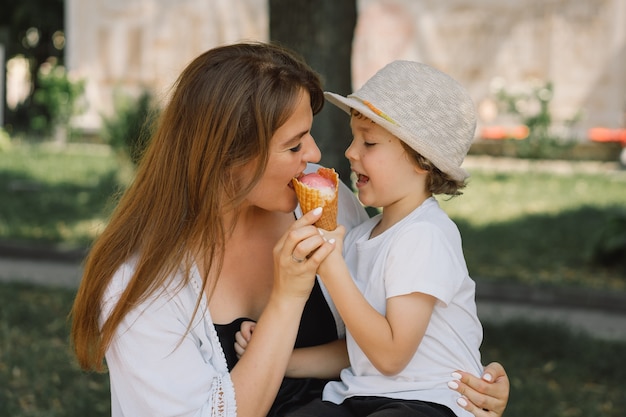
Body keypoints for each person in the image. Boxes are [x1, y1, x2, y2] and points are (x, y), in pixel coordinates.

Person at [69, 41, 508, 417]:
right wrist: (287, 298)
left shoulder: (330, 210)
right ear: (227, 156)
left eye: (310, 136)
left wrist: (466, 389)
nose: (316, 154)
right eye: (294, 145)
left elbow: (396, 341)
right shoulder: (142, 285)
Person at [274, 60, 498, 417]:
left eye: (370, 142)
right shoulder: (363, 234)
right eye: (353, 137)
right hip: (358, 395)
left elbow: (392, 356)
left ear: (421, 160)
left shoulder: (425, 235)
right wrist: (276, 357)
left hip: (429, 400)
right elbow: (360, 346)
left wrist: (332, 270)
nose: (350, 152)